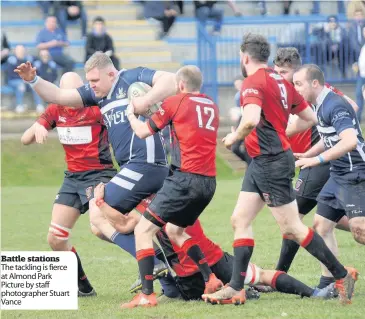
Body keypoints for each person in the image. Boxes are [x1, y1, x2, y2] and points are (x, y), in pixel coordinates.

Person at [202, 33, 358, 306]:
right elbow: (309, 117)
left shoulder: (254, 81)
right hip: (263, 161)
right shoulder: (280, 82)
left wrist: (232, 137)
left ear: (245, 57)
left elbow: (249, 120)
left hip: (270, 161)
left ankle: (341, 275)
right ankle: (236, 288)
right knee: (240, 219)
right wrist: (278, 129)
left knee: (293, 227)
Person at [14, 52, 177, 292]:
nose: (88, 88)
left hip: (109, 171)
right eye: (86, 85)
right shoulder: (69, 105)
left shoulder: (109, 95)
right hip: (75, 177)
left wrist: (145, 101)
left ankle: (156, 266)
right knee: (70, 234)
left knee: (107, 219)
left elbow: (171, 80)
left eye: (92, 82)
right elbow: (55, 100)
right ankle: (90, 286)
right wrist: (33, 82)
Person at [120, 65, 222, 308]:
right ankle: (210, 279)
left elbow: (144, 131)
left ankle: (147, 294)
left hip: (184, 179)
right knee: (174, 230)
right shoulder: (211, 105)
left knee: (143, 230)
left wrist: (132, 115)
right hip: (209, 183)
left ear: (180, 85)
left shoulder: (176, 101)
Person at [125, 196, 336, 302]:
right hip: (214, 258)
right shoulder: (182, 192)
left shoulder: (144, 207)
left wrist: (100, 201)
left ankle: (233, 291)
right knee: (261, 275)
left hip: (189, 278)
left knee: (175, 292)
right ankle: (315, 293)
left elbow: (123, 225)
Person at [20, 72, 117, 297]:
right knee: (56, 238)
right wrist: (38, 127)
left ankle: (155, 259)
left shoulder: (97, 109)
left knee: (101, 229)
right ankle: (83, 286)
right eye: (66, 94)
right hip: (72, 178)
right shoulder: (56, 109)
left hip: (99, 175)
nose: (70, 99)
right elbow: (25, 140)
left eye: (75, 93)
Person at [271, 47, 359, 290]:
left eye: (285, 72)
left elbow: (350, 110)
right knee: (323, 224)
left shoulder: (319, 94)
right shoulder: (295, 93)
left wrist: (315, 152)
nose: (280, 76)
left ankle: (279, 276)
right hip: (316, 162)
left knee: (293, 218)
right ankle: (332, 281)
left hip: (332, 166)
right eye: (276, 71)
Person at [293, 63, 365, 262]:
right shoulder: (317, 104)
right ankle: (333, 281)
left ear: (315, 83)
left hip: (355, 172)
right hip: (338, 174)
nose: (296, 89)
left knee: (359, 231)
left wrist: (317, 160)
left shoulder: (335, 105)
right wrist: (308, 155)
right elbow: (328, 138)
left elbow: (350, 141)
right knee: (321, 226)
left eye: (299, 84)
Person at [6, 45, 43, 113]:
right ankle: (19, 105)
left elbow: (37, 61)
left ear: (25, 51)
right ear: (15, 51)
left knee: (35, 84)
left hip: (26, 80)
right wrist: (23, 79)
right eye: (19, 50)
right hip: (13, 81)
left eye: (22, 50)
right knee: (21, 85)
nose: (21, 52)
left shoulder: (29, 59)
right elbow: (11, 74)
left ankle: (39, 105)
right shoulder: (11, 60)